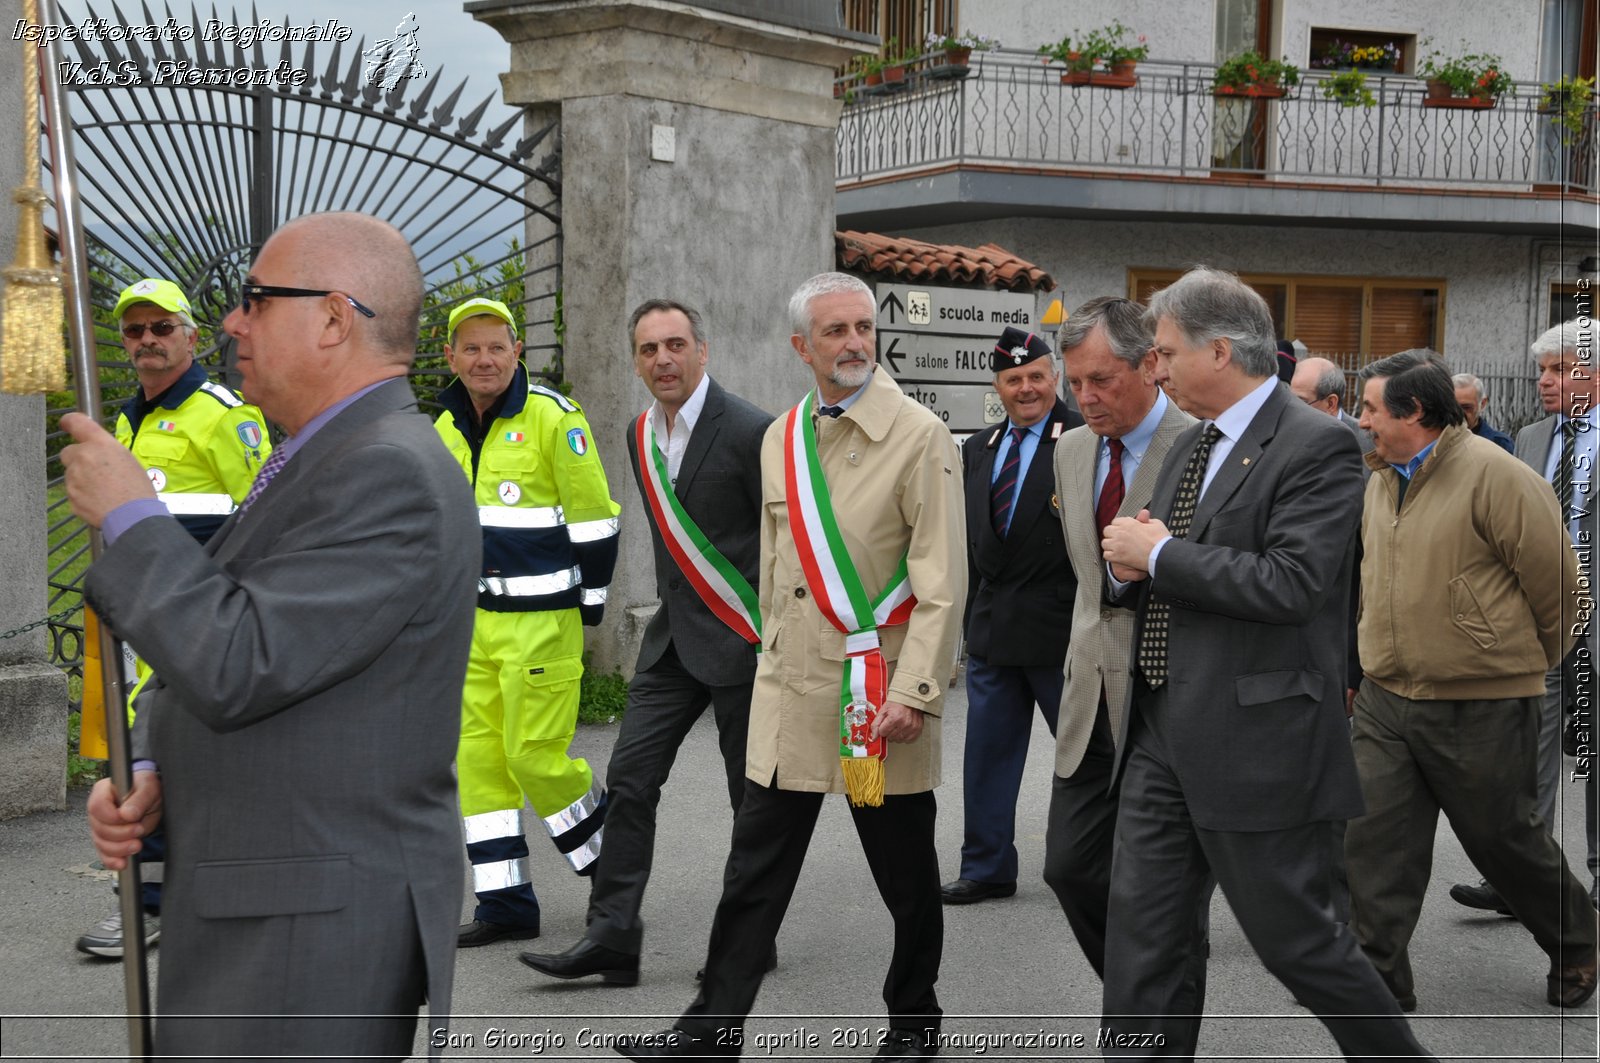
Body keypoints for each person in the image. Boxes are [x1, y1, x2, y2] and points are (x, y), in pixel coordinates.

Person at [64, 211, 480, 1057]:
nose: (231, 320)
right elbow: (253, 630)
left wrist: (132, 514)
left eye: (256, 299)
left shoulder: (387, 469)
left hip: (307, 929)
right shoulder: (325, 450)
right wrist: (153, 766)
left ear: (334, 317)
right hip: (272, 903)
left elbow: (236, 658)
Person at [613, 272, 965, 1060]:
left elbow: (943, 582)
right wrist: (768, 664)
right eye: (834, 332)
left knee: (902, 871)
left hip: (871, 709)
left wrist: (915, 691)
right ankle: (713, 1028)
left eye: (862, 328)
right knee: (754, 870)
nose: (852, 345)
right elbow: (775, 569)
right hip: (792, 703)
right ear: (802, 346)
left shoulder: (919, 435)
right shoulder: (782, 438)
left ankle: (914, 1020)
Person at [1097, 267, 1431, 1058]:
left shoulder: (1320, 445)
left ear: (1220, 350)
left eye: (1167, 351)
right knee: (1142, 942)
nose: (1157, 367)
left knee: (1300, 944)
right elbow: (1154, 558)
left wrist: (1160, 552)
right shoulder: (1192, 441)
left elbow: (1293, 583)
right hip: (1160, 731)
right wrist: (1128, 563)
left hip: (1258, 740)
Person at [520, 299, 772, 984]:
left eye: (674, 345)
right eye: (648, 349)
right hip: (671, 644)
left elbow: (786, 542)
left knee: (748, 800)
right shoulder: (638, 435)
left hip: (743, 640)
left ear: (702, 350)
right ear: (636, 359)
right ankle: (613, 936)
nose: (662, 359)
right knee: (629, 780)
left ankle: (749, 940)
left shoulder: (752, 430)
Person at [1345, 348, 1596, 1011]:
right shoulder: (1379, 476)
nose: (1361, 418)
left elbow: (1565, 591)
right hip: (1386, 696)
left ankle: (1576, 942)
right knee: (1372, 839)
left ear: (1415, 412)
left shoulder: (1499, 477)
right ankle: (1378, 975)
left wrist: (1512, 662)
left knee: (1503, 839)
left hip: (1481, 701)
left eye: (1370, 407)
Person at [74, 277, 272, 960]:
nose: (148, 340)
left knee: (153, 749)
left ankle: (149, 904)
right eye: (135, 331)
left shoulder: (223, 415)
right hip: (137, 616)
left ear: (191, 335)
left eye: (162, 327)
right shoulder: (125, 417)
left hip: (194, 618)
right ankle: (163, 895)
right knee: (142, 752)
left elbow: (263, 517)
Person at [435, 297, 621, 947]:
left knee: (534, 756)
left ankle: (615, 876)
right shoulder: (446, 427)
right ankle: (505, 901)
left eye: (496, 345)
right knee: (481, 762)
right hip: (473, 625)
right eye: (471, 347)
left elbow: (595, 521)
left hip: (542, 622)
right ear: (450, 356)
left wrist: (590, 604)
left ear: (518, 350)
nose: (484, 359)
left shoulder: (552, 418)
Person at [1042, 297, 1201, 1000]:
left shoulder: (1204, 446)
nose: (1086, 397)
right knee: (1069, 868)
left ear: (1151, 366)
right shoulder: (1070, 448)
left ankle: (1149, 1008)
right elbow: (1086, 578)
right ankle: (1145, 988)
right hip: (1087, 699)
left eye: (1102, 380)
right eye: (1075, 382)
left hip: (1169, 701)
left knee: (1160, 892)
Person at [1451, 321, 1598, 915]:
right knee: (1528, 749)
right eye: (1542, 369)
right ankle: (1527, 879)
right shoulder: (1533, 436)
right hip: (1544, 615)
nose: (1545, 380)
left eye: (1561, 370)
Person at [942, 326, 1081, 905]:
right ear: (997, 385)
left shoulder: (1084, 438)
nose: (1026, 388)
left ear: (1055, 378)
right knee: (987, 759)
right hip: (994, 631)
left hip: (1062, 632)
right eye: (1013, 379)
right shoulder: (978, 447)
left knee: (1085, 762)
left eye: (1035, 377)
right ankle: (987, 866)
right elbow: (974, 541)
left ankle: (1097, 863)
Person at [1289, 355, 1372, 453]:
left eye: (1301, 402)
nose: (1291, 410)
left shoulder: (1369, 444)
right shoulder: (1282, 436)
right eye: (1289, 400)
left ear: (1330, 403)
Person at [1451, 372, 1515, 453]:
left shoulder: (1500, 445)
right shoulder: (1436, 441)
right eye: (1453, 406)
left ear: (1482, 404)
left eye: (1466, 407)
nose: (1458, 413)